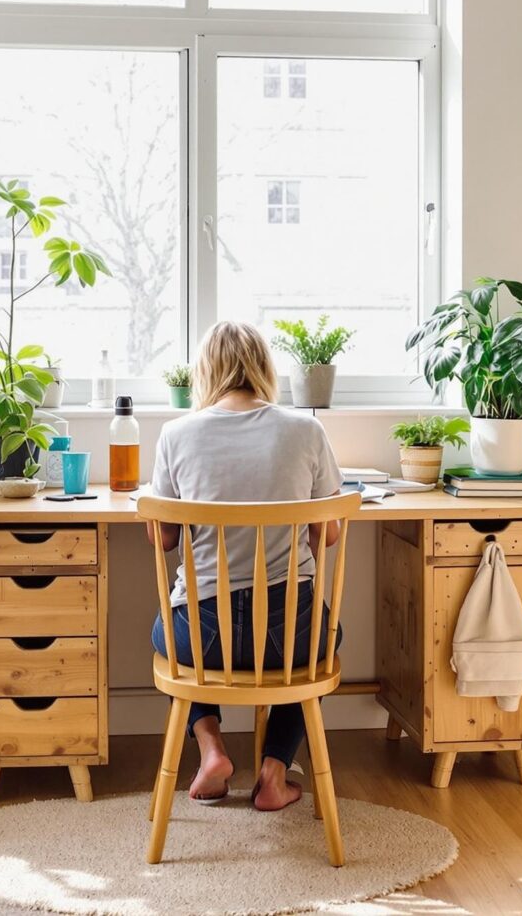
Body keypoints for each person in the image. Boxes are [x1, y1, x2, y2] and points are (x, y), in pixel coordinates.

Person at [145, 320, 344, 811]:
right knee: (326, 639)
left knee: (165, 634)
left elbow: (164, 536)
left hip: (206, 638)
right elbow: (331, 532)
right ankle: (274, 772)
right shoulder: (306, 430)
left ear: (206, 371)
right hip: (288, 635)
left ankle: (211, 747)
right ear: (262, 368)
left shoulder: (176, 434)